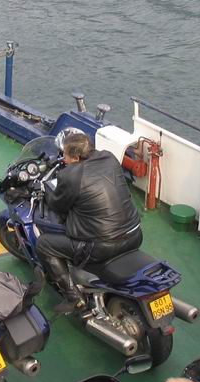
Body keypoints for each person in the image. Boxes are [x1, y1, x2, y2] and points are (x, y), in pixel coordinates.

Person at [37, 132, 142, 312]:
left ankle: (73, 298)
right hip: (134, 234)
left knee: (44, 244)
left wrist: (46, 192)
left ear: (76, 158)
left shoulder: (70, 175)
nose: (64, 159)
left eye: (66, 155)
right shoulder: (109, 158)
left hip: (102, 246)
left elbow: (57, 205)